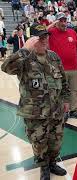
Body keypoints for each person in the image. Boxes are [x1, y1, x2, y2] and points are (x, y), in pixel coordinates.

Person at [1, 23, 71, 180]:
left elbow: (64, 82)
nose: (45, 40)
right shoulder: (25, 58)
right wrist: (25, 49)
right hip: (35, 113)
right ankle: (43, 167)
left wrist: (66, 100)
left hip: (56, 110)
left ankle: (52, 163)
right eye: (40, 37)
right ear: (32, 40)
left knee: (56, 141)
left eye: (46, 36)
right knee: (39, 143)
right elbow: (6, 67)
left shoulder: (53, 57)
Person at [48, 12, 77, 119]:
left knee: (74, 89)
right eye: (61, 21)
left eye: (65, 20)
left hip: (74, 67)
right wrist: (53, 24)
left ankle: (73, 110)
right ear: (57, 22)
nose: (64, 23)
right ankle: (61, 110)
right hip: (58, 68)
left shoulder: (72, 32)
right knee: (59, 90)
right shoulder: (51, 32)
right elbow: (41, 32)